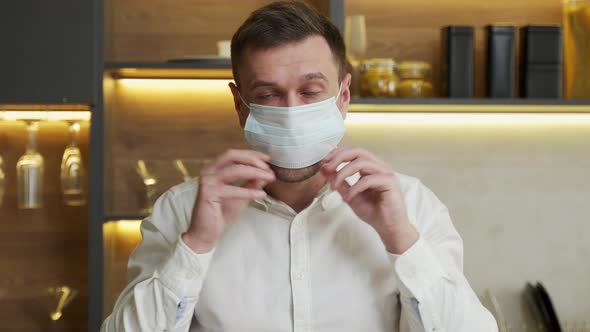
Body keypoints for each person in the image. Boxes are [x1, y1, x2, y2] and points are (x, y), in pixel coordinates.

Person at [101, 1, 498, 331]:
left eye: (311, 91)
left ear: (343, 96)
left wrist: (400, 239)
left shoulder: (411, 205)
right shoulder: (181, 212)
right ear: (241, 106)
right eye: (269, 94)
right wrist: (197, 244)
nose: (292, 112)